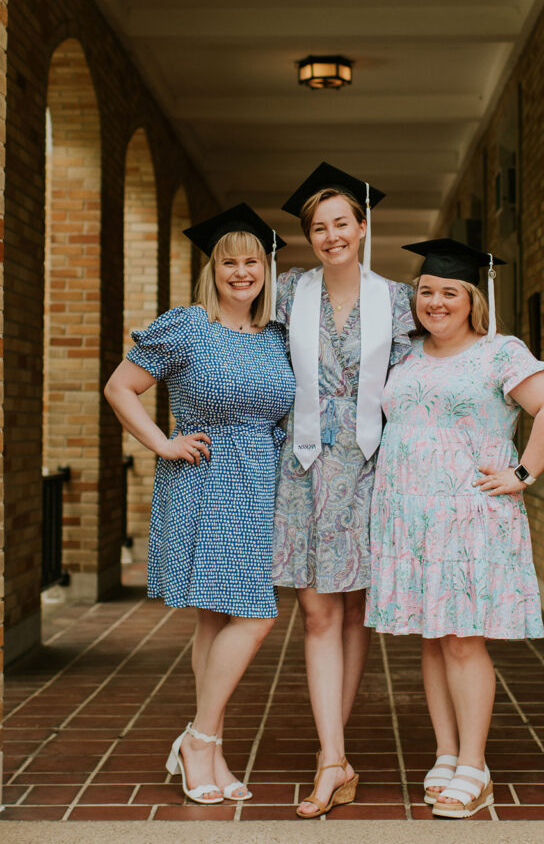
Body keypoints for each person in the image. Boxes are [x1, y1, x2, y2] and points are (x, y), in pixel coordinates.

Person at [365, 238, 544, 819]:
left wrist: (523, 472)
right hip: (410, 516)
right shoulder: (404, 355)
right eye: (426, 291)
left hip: (469, 514)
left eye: (448, 292)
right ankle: (447, 752)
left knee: (462, 639)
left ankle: (475, 767)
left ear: (472, 299)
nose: (435, 302)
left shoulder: (500, 353)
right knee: (434, 637)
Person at [104, 203, 295, 805]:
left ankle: (209, 750)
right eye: (228, 261)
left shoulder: (276, 334)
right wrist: (162, 441)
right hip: (205, 478)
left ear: (266, 268)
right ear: (211, 268)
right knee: (255, 616)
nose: (241, 272)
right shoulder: (185, 325)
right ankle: (200, 738)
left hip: (260, 481)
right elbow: (120, 388)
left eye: (252, 261)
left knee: (217, 617)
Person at [273, 163, 414, 818]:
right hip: (302, 470)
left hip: (370, 469)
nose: (331, 235)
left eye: (341, 223)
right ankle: (332, 757)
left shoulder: (399, 299)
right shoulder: (285, 293)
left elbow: (417, 386)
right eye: (318, 227)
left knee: (355, 611)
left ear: (362, 227)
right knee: (317, 611)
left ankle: (338, 752)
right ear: (307, 236)